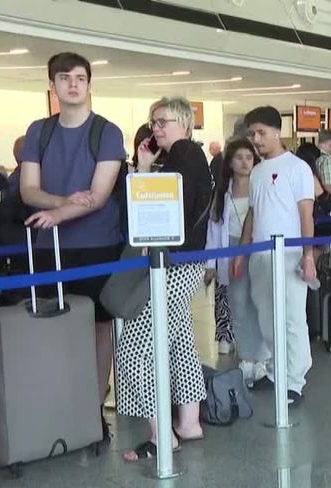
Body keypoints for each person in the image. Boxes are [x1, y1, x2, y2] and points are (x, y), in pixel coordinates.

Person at [20, 52, 125, 441]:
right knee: (55, 329)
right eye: (64, 78)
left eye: (80, 77)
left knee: (99, 328)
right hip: (49, 247)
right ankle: (60, 406)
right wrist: (65, 205)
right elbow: (29, 190)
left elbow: (98, 196)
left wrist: (60, 210)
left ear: (90, 83)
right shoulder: (38, 132)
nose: (73, 84)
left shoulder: (106, 132)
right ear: (52, 85)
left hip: (97, 244)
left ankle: (93, 409)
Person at [118, 96, 212, 462]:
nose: (156, 128)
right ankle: (189, 422)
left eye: (163, 122)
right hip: (187, 264)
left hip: (171, 265)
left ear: (185, 123)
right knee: (181, 340)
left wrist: (142, 173)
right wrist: (144, 167)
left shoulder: (183, 155)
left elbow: (157, 213)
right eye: (153, 122)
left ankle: (162, 434)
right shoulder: (188, 157)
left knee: (134, 348)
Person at [231, 106, 316, 406]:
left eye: (261, 133)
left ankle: (295, 379)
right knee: (267, 316)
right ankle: (276, 370)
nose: (256, 139)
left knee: (292, 318)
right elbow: (253, 214)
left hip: (290, 255)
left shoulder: (297, 168)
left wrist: (308, 255)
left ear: (277, 132)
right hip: (261, 255)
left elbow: (306, 214)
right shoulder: (256, 171)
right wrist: (242, 251)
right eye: (252, 133)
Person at [205, 139, 271, 381]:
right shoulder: (223, 191)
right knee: (239, 303)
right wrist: (210, 264)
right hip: (231, 249)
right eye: (239, 157)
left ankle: (263, 357)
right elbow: (213, 229)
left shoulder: (261, 186)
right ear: (230, 162)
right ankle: (246, 355)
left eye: (249, 157)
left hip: (258, 247)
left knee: (260, 303)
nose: (245, 162)